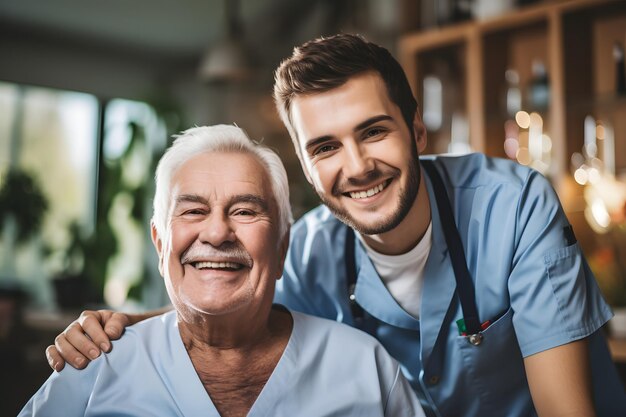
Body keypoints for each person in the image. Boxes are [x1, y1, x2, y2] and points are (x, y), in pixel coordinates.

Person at [46, 34, 626, 416]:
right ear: (306, 165)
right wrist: (116, 326)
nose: (356, 166)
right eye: (325, 147)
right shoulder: (314, 251)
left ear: (417, 133)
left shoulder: (514, 205)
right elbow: (233, 292)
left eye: (374, 131)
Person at [21, 125, 422, 417]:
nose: (216, 232)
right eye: (194, 210)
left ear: (282, 247)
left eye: (245, 211)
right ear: (161, 244)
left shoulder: (366, 368)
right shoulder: (96, 364)